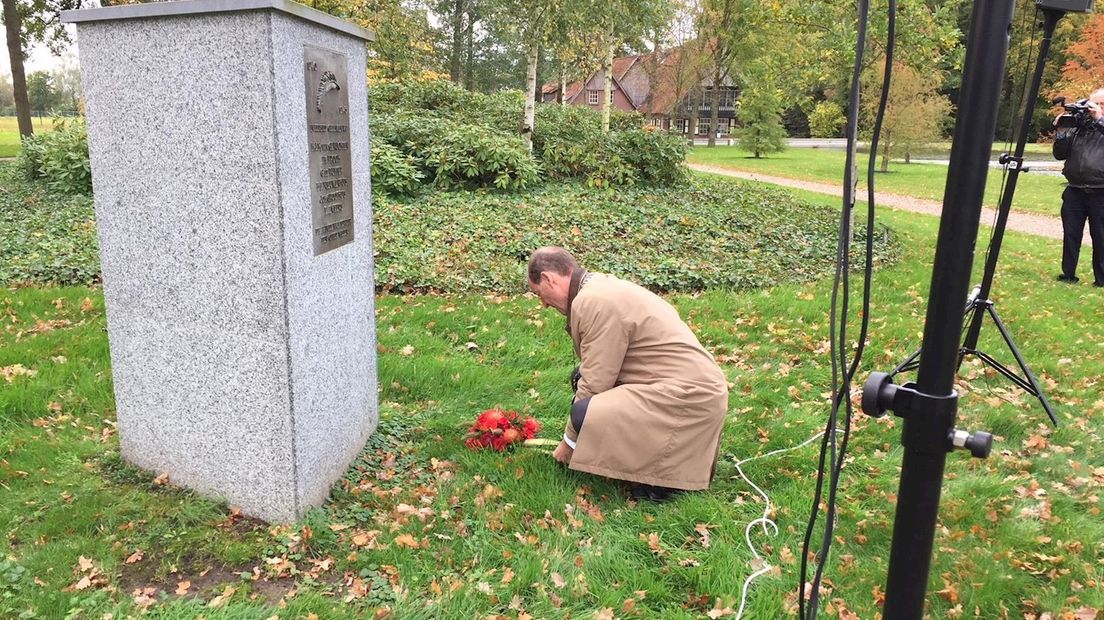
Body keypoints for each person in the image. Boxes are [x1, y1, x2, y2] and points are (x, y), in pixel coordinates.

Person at [526, 247, 729, 501]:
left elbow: (596, 382)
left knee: (584, 413)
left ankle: (666, 483)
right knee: (579, 381)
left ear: (548, 278)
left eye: (539, 293)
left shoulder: (593, 301)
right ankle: (646, 460)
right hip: (678, 386)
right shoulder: (598, 287)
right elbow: (594, 369)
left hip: (689, 396)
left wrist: (568, 444)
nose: (543, 303)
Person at [1053, 88, 1104, 287]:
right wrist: (1062, 131)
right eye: (1095, 104)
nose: (1097, 109)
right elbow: (1060, 154)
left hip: (1101, 191)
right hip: (1075, 189)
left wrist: (1099, 119)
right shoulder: (1079, 127)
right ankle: (1068, 275)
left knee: (1101, 236)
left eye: (1102, 105)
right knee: (1071, 233)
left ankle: (1101, 279)